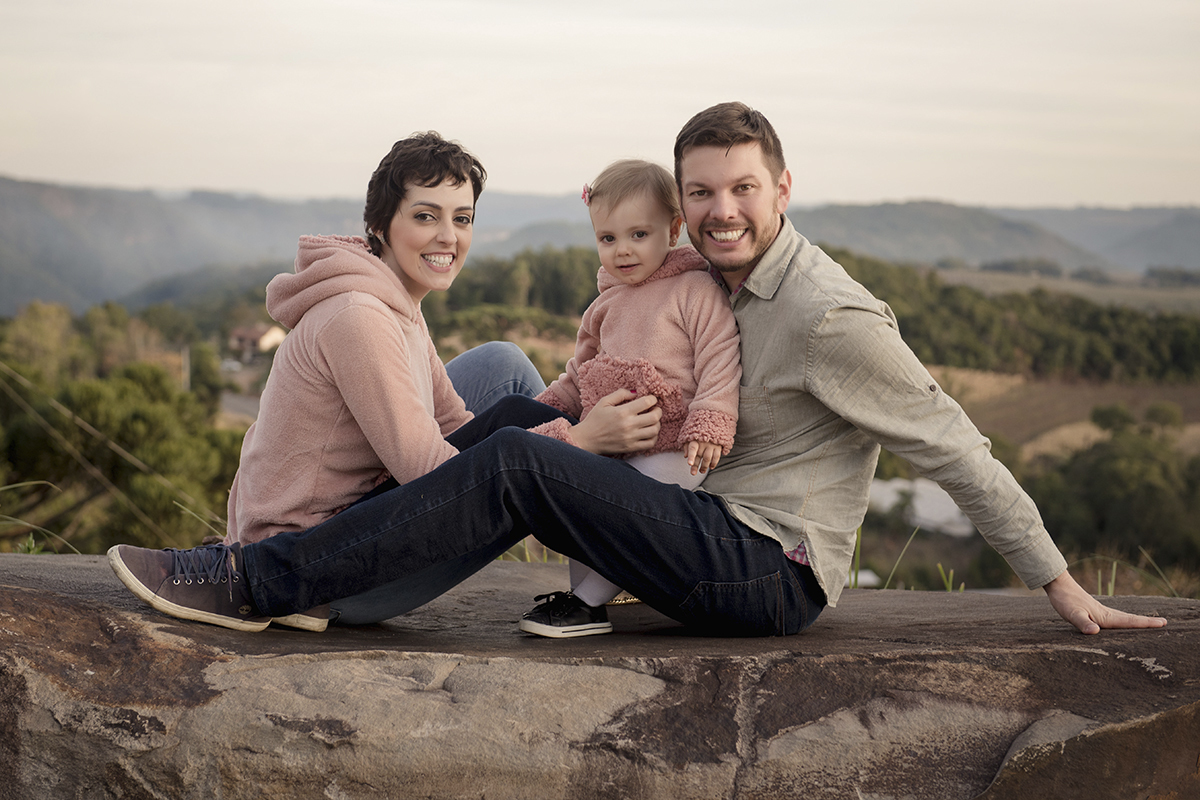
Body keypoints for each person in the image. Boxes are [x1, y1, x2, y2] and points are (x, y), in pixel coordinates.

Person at [109, 104, 1168, 638]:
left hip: (768, 564)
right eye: (700, 192)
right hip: (692, 517)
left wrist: (1060, 581)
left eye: (741, 189)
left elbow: (950, 440)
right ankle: (329, 554)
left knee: (525, 454)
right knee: (522, 399)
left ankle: (256, 579)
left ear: (783, 186)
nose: (720, 211)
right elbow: (610, 332)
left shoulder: (830, 314)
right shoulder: (693, 279)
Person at [518, 159, 741, 637]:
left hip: (675, 443)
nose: (622, 251)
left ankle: (585, 601)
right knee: (588, 506)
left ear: (674, 229)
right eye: (608, 239)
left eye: (639, 235)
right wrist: (550, 407)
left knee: (628, 514)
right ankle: (591, 600)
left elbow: (721, 358)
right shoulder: (605, 305)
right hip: (616, 439)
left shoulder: (694, 290)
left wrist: (710, 421)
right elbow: (581, 374)